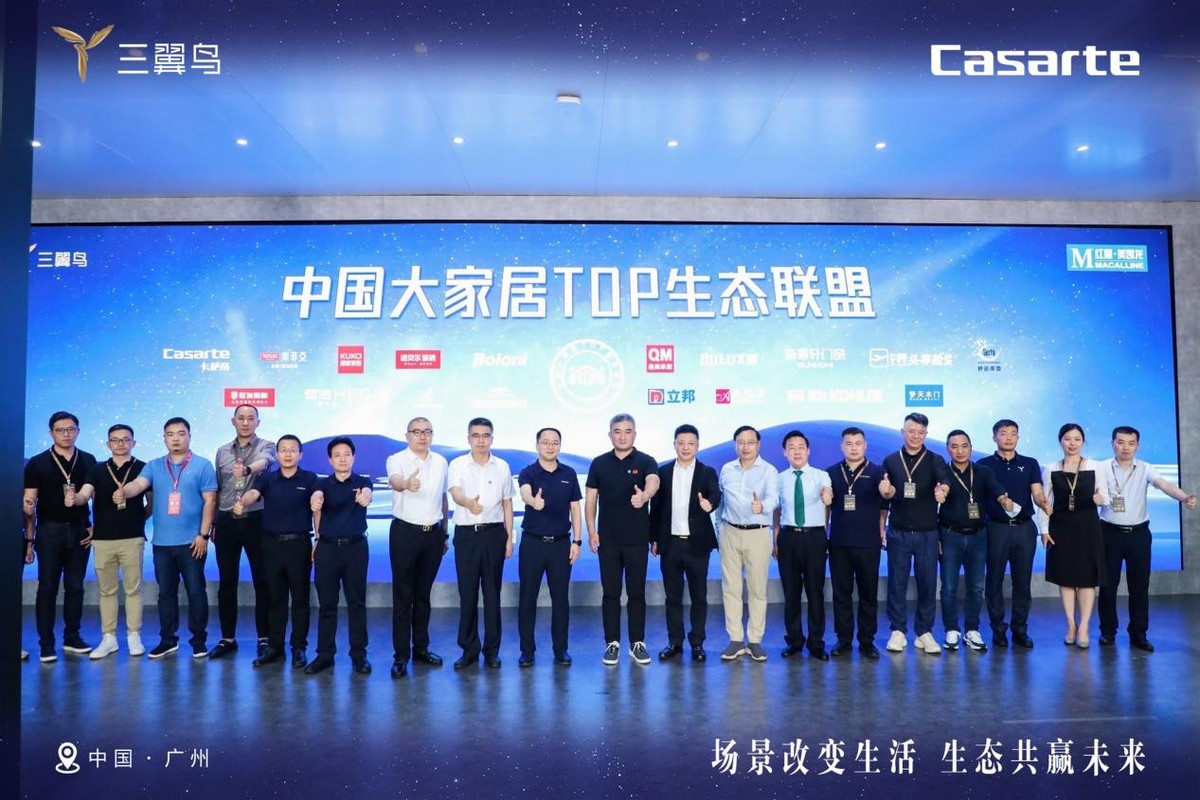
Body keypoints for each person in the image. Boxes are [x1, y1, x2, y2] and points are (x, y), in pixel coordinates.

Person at [117, 417, 217, 660]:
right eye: (170, 434)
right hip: (162, 543)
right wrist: (125, 491)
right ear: (164, 438)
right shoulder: (154, 465)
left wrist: (203, 535)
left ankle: (198, 641)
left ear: (189, 436)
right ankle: (168, 640)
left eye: (181, 434)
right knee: (165, 594)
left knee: (196, 591)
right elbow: (139, 484)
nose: (175, 439)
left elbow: (210, 501)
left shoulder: (203, 465)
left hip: (192, 542)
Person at [1097, 425, 1196, 653]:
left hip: (1139, 535)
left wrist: (1183, 498)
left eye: (1131, 443)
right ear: (1112, 443)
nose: (1126, 447)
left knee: (1140, 585)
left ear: (1137, 446)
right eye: (1121, 442)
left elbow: (1164, 485)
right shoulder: (1102, 467)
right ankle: (1108, 631)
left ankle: (1138, 634)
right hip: (1109, 533)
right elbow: (1094, 491)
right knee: (1107, 585)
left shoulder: (1145, 468)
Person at [233, 434, 318, 668]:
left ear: (300, 454)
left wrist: (318, 536)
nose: (288, 454)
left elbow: (317, 502)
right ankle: (275, 646)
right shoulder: (267, 478)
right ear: (277, 455)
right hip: (271, 545)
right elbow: (253, 494)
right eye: (283, 450)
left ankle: (299, 647)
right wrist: (243, 501)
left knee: (300, 598)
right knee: (275, 598)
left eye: (293, 450)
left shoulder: (310, 479)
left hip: (299, 544)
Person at [585, 413, 660, 666]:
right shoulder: (599, 463)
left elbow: (653, 481)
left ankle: (637, 643)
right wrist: (591, 531)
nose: (623, 436)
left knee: (637, 593)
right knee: (611, 594)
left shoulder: (646, 460)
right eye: (617, 431)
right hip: (608, 541)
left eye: (628, 431)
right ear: (610, 434)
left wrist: (644, 496)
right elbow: (591, 500)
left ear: (634, 434)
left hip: (637, 540)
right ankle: (612, 643)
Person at [23, 411, 98, 662]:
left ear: (78, 431)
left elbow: (96, 497)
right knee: (47, 588)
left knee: (75, 587)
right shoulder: (38, 462)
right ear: (51, 433)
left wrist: (95, 527)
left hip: (80, 531)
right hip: (49, 531)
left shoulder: (88, 459)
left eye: (70, 429)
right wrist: (30, 534)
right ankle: (46, 644)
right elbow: (30, 500)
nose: (66, 434)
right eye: (60, 430)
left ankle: (72, 637)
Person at [70, 424, 148, 659]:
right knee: (107, 591)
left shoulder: (143, 468)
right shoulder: (97, 469)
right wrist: (75, 498)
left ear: (133, 443)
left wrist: (139, 519)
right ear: (108, 444)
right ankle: (109, 638)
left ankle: (134, 636)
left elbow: (152, 502)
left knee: (133, 590)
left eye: (125, 439)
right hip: (103, 539)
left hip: (132, 538)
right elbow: (84, 494)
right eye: (115, 440)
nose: (120, 444)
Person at [649, 424, 721, 663]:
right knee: (672, 597)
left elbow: (716, 494)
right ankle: (675, 642)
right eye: (681, 443)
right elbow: (656, 509)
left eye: (691, 443)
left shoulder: (707, 472)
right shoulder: (663, 472)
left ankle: (697, 642)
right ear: (674, 445)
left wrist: (709, 504)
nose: (686, 447)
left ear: (697, 446)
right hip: (670, 544)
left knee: (699, 596)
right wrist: (654, 538)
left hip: (697, 544)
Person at [938, 430, 1014, 654]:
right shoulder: (942, 472)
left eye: (964, 446)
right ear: (947, 449)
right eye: (954, 446)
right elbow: (935, 499)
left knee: (976, 587)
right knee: (949, 587)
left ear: (971, 447)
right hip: (950, 535)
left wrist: (1003, 499)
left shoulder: (982, 471)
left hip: (978, 536)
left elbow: (995, 488)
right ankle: (951, 629)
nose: (960, 451)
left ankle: (972, 630)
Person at [210, 405, 276, 660]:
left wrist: (247, 469)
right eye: (241, 418)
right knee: (227, 582)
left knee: (262, 580)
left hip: (256, 520)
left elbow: (264, 463)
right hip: (226, 520)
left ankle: (264, 637)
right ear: (233, 421)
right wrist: (214, 521)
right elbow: (218, 489)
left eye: (251, 418)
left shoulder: (266, 445)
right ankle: (227, 638)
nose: (246, 422)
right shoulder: (222, 451)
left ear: (258, 421)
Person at [385, 417, 449, 679]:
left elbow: (443, 498)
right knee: (403, 597)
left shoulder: (441, 462)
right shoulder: (396, 459)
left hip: (433, 535)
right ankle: (401, 656)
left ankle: (421, 649)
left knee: (423, 596)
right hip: (405, 533)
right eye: (417, 432)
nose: (422, 436)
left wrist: (444, 532)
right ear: (407, 435)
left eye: (427, 432)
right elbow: (395, 481)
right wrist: (406, 485)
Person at [881, 412, 949, 656]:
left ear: (926, 434)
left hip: (928, 534)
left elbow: (945, 482)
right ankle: (898, 630)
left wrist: (943, 491)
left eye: (921, 432)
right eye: (911, 431)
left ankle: (924, 632)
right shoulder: (891, 460)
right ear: (903, 432)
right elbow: (885, 497)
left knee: (928, 583)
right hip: (898, 532)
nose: (916, 436)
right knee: (897, 583)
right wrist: (887, 493)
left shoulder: (935, 460)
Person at [449, 418, 514, 669]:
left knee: (492, 594)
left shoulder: (502, 467)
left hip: (494, 535)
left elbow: (507, 503)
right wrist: (468, 503)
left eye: (485, 436)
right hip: (466, 535)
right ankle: (469, 650)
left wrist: (509, 538)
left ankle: (492, 651)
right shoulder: (457, 464)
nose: (480, 440)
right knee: (467, 594)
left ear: (492, 439)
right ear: (468, 438)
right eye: (475, 435)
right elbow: (455, 492)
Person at [305, 436, 373, 675]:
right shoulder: (322, 484)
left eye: (347, 454)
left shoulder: (363, 481)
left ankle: (359, 655)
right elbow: (316, 500)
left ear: (353, 457)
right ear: (330, 460)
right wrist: (315, 501)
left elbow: (367, 493)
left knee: (357, 603)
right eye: (337, 455)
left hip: (356, 549)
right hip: (327, 549)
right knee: (327, 605)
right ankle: (324, 655)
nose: (342, 459)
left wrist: (365, 496)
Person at [517, 427, 583, 667]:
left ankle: (561, 649)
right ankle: (527, 651)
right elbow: (524, 492)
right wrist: (533, 501)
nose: (550, 446)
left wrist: (577, 541)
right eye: (545, 442)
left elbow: (575, 509)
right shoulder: (528, 472)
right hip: (532, 544)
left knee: (561, 599)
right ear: (537, 446)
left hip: (560, 545)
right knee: (527, 598)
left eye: (555, 442)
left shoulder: (569, 473)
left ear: (560, 446)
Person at [978, 419, 1046, 649]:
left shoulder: (1030, 463)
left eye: (1013, 433)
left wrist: (1043, 502)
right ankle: (998, 630)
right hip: (996, 529)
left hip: (1024, 528)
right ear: (994, 437)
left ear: (1018, 437)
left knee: (1022, 582)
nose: (1008, 437)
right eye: (1003, 433)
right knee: (994, 580)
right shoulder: (983, 465)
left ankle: (1020, 629)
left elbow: (1037, 492)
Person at [1039, 423, 1107, 650]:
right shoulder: (1051, 468)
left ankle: (1084, 626)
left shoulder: (1095, 466)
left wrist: (1102, 500)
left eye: (1077, 439)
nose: (1072, 443)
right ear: (1060, 441)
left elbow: (1106, 496)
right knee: (1065, 577)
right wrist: (1044, 530)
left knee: (1087, 579)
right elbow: (1044, 502)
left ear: (1083, 442)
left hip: (1088, 527)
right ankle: (1071, 624)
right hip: (1060, 527)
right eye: (1068, 438)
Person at [717, 425, 779, 662]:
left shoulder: (768, 470)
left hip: (758, 533)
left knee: (757, 589)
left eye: (750, 442)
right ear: (735, 445)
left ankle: (754, 640)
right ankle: (735, 639)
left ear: (758, 445)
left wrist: (761, 506)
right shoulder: (726, 469)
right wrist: (720, 530)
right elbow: (721, 502)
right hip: (730, 532)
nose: (745, 447)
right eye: (740, 442)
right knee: (731, 588)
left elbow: (774, 499)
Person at [825, 426, 887, 659]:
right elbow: (826, 507)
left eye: (858, 443)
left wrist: (888, 490)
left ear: (865, 445)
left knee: (868, 595)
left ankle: (867, 641)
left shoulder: (878, 472)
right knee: (841, 595)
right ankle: (843, 640)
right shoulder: (831, 472)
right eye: (849, 444)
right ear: (842, 446)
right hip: (839, 543)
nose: (854, 448)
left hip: (868, 543)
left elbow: (887, 498)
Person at [775, 430, 832, 661]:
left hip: (814, 538)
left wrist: (827, 496)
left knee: (815, 592)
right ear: (785, 452)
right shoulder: (779, 479)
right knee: (791, 593)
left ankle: (816, 643)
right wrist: (775, 539)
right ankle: (794, 641)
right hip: (788, 537)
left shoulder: (821, 476)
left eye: (801, 447)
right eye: (791, 447)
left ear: (808, 451)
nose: (796, 452)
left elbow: (828, 495)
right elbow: (776, 511)